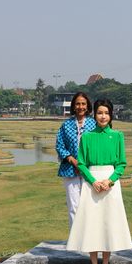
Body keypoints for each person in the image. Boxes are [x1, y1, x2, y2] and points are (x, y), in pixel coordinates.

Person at [66, 99, 132, 264]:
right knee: (92, 224)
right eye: (100, 113)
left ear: (111, 115)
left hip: (110, 184)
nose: (103, 116)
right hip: (92, 184)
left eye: (106, 113)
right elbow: (81, 164)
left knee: (108, 223)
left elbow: (121, 164)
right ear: (94, 115)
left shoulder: (117, 136)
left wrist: (109, 181)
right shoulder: (87, 137)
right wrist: (93, 181)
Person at [55, 92, 97, 228]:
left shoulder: (94, 124)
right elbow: (59, 145)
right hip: (70, 170)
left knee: (90, 205)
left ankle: (90, 238)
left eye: (83, 104)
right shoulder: (66, 125)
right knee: (74, 206)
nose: (80, 106)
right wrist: (72, 160)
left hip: (90, 171)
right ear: (73, 106)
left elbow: (98, 146)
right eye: (78, 104)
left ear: (87, 106)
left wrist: (84, 164)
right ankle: (76, 240)